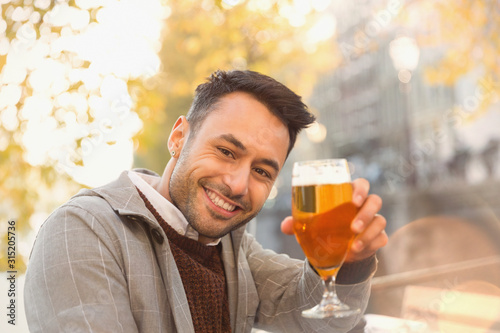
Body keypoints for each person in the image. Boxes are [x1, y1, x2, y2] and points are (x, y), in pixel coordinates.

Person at [24, 69, 387, 333]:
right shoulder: (80, 232)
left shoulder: (231, 245)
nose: (237, 184)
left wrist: (351, 261)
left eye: (262, 171)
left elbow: (310, 316)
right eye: (226, 151)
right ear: (179, 137)